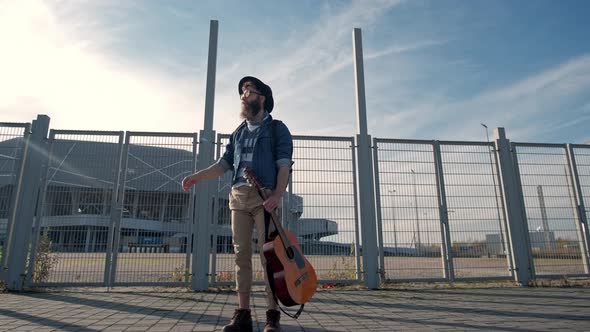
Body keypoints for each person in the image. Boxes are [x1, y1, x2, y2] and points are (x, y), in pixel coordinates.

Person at [182, 76, 293, 332]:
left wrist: (277, 194)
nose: (243, 96)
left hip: (265, 199)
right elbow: (224, 165)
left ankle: (272, 317)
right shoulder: (238, 132)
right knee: (241, 256)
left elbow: (284, 164)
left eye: (248, 91)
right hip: (238, 198)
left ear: (261, 98)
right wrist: (196, 177)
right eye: (242, 92)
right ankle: (243, 314)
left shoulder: (277, 129)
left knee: (270, 259)